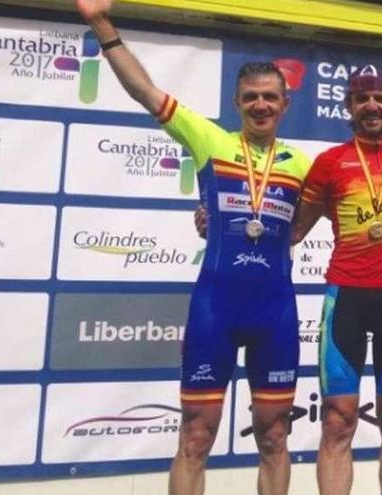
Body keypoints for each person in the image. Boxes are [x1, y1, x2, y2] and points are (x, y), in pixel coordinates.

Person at [76, 2, 311, 494]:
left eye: (270, 97)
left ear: (285, 104)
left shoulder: (304, 164)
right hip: (215, 310)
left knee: (273, 437)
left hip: (276, 314)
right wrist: (102, 25)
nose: (261, 105)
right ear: (237, 102)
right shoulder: (210, 140)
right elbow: (145, 91)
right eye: (251, 98)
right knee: (196, 436)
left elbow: (349, 206)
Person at [288, 65, 382, 495]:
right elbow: (294, 230)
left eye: (380, 98)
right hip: (347, 297)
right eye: (361, 99)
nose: (371, 106)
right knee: (338, 418)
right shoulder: (329, 163)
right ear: (349, 108)